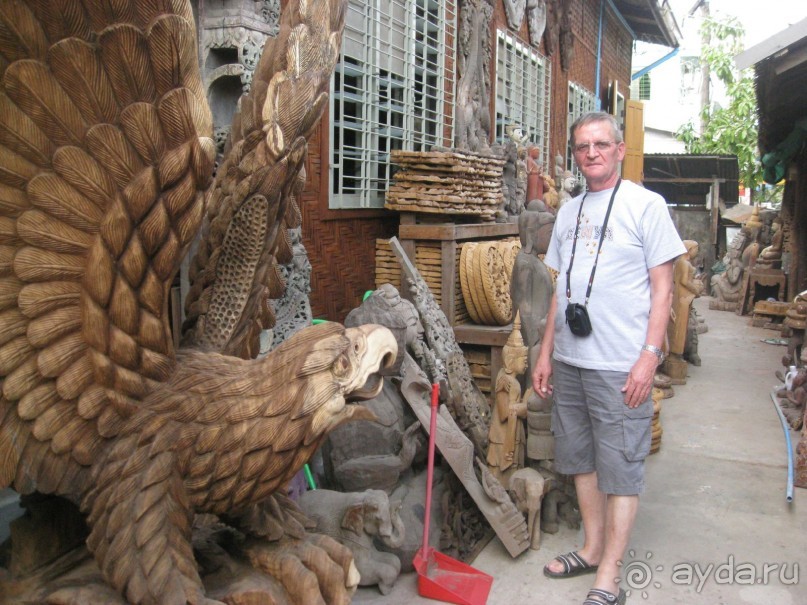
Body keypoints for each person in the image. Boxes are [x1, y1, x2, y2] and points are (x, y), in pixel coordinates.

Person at [533, 112, 685, 605]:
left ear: (620, 150)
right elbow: (560, 289)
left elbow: (665, 290)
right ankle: (593, 548)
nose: (591, 152)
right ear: (575, 154)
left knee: (620, 465)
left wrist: (649, 357)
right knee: (580, 459)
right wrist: (545, 353)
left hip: (621, 362)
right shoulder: (569, 211)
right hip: (573, 360)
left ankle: (611, 575)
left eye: (601, 144)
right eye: (582, 146)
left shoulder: (647, 206)